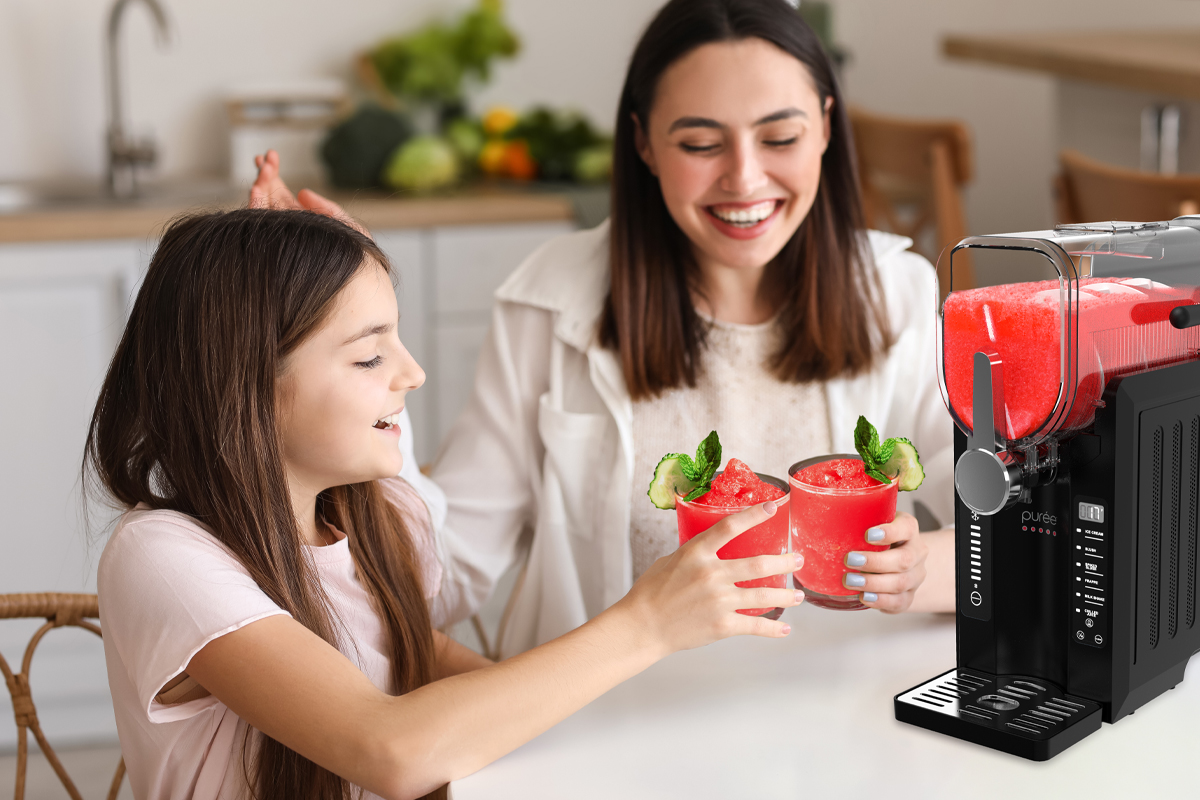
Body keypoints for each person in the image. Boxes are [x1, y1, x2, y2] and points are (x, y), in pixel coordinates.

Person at [251, 0, 957, 659]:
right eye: (701, 143)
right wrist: (349, 322)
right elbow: (450, 571)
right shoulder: (552, 304)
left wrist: (919, 571)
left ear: (827, 127)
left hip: (834, 717)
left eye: (780, 137)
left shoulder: (896, 290)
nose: (745, 178)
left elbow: (1009, 525)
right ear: (643, 143)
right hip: (608, 723)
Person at [88, 209, 801, 799]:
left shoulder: (376, 510)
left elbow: (408, 651)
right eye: (370, 357)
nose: (414, 373)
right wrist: (644, 624)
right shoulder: (163, 557)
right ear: (240, 385)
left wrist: (624, 718)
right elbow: (388, 749)